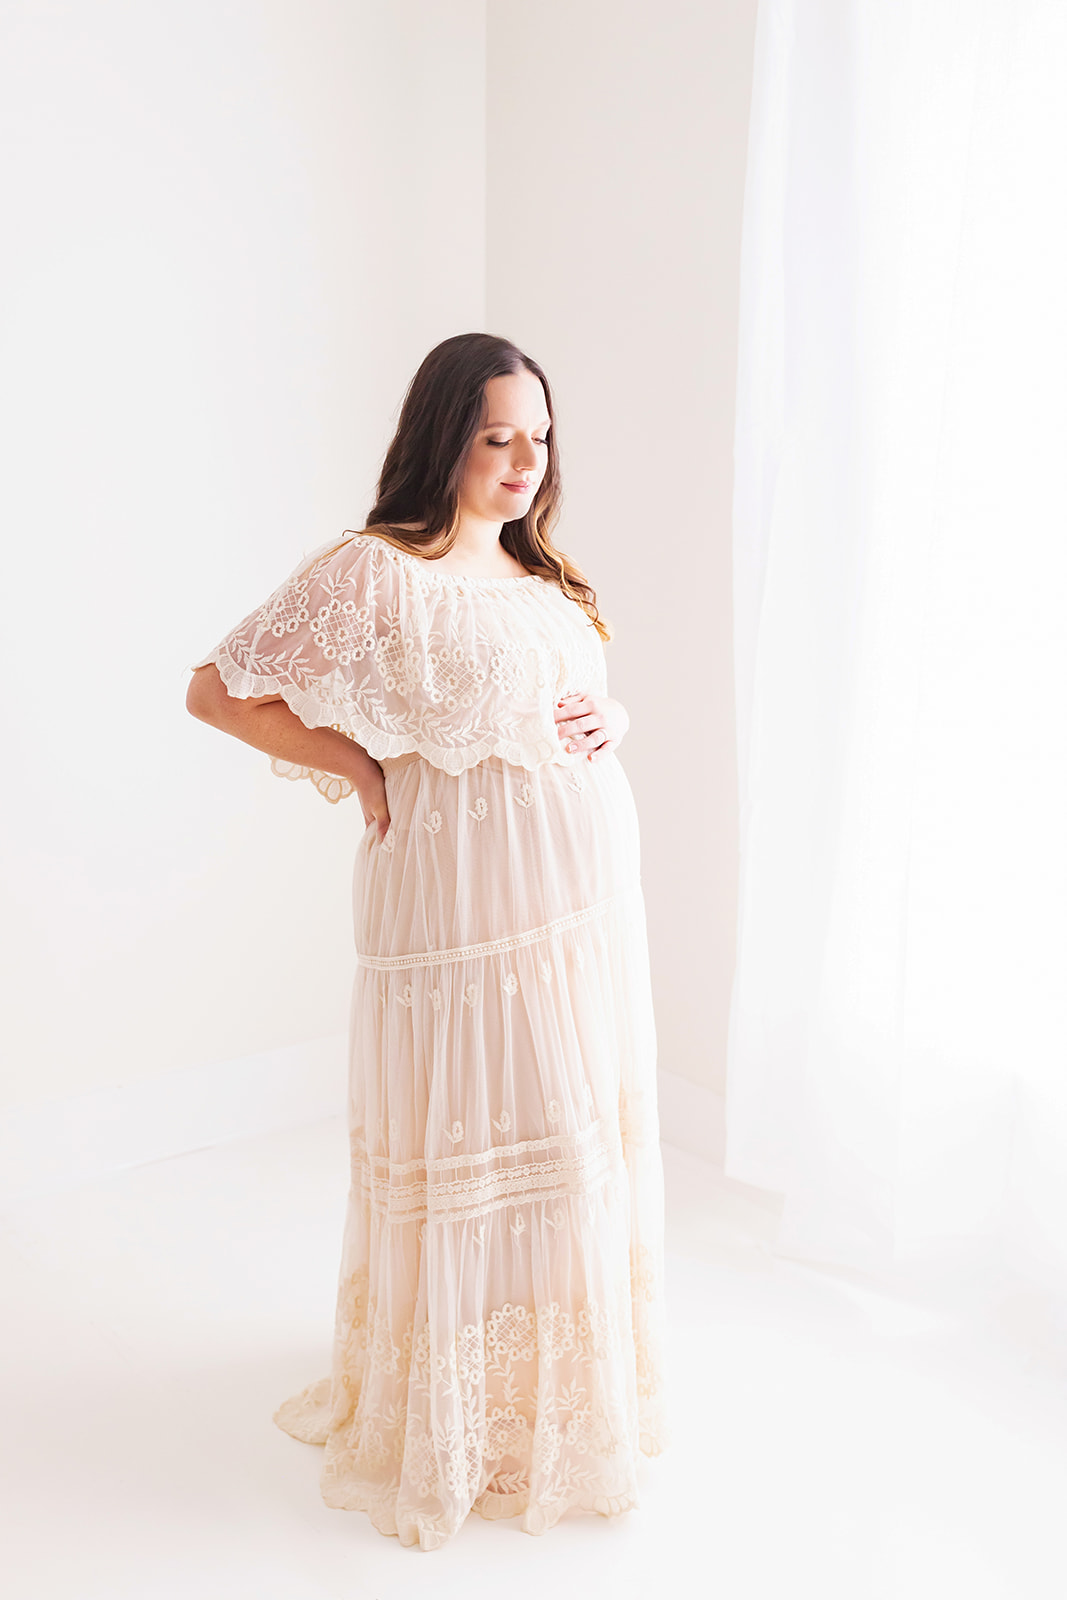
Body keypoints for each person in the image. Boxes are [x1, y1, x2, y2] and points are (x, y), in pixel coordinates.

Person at [185, 332, 669, 1550]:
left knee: (565, 1133)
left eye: (539, 437)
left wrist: (610, 712)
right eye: (496, 435)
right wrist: (353, 762)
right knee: (476, 1131)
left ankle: (545, 1404)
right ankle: (451, 1411)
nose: (523, 461)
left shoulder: (545, 574)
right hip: (456, 908)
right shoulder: (375, 571)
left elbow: (573, 693)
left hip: (577, 905)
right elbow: (218, 688)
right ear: (442, 436)